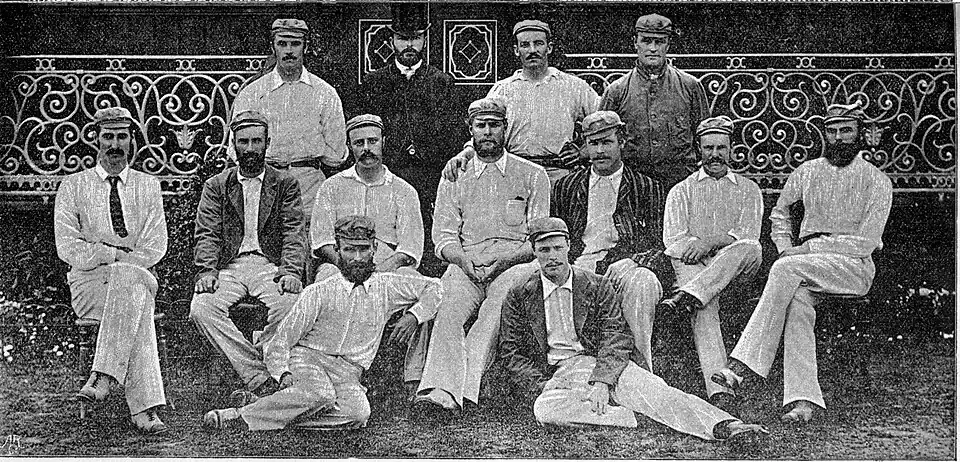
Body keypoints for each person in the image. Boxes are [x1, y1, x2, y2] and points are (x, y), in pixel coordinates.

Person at [498, 217, 768, 440]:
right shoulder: (520, 293)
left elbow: (615, 336)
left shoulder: (595, 284)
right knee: (546, 410)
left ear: (569, 246)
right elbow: (511, 352)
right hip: (557, 376)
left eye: (558, 248)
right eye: (544, 250)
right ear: (534, 251)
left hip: (600, 364)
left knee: (656, 390)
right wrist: (544, 384)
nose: (553, 257)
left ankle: (726, 425)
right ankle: (633, 417)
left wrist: (603, 380)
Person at [712, 102, 893, 423]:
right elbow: (779, 214)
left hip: (852, 268)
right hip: (807, 268)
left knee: (786, 269)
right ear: (825, 134)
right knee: (796, 302)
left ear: (859, 135)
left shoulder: (876, 180)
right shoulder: (808, 171)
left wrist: (804, 252)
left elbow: (865, 242)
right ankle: (803, 401)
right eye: (832, 131)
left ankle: (740, 367)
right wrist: (784, 247)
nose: (838, 138)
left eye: (846, 131)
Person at [202, 215, 441, 431]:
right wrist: (282, 372)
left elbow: (435, 288)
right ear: (337, 251)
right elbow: (281, 340)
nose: (357, 258)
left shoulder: (387, 286)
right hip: (308, 360)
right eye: (349, 250)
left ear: (374, 249)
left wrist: (414, 315)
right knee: (321, 395)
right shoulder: (319, 292)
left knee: (358, 415)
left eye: (363, 250)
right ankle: (236, 417)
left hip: (349, 371)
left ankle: (270, 409)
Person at [415, 97, 550, 412]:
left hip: (513, 264)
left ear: (505, 128)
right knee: (447, 309)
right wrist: (463, 261)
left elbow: (538, 238)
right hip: (467, 264)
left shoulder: (531, 174)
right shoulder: (454, 175)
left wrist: (506, 261)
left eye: (494, 125)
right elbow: (443, 236)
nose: (488, 132)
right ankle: (438, 392)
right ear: (471, 129)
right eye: (481, 125)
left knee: (492, 314)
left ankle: (461, 393)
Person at [54, 107, 169, 434]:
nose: (115, 144)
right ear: (95, 140)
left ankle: (103, 375)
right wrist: (114, 255)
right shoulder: (73, 186)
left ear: (132, 140)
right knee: (138, 303)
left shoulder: (148, 186)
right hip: (90, 284)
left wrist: (122, 265)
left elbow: (155, 246)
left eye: (122, 136)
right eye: (108, 137)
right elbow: (68, 248)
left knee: (129, 282)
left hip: (136, 276)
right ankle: (145, 410)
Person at [190, 110, 306, 405]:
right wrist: (207, 270)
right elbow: (207, 233)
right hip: (229, 266)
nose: (251, 149)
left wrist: (291, 270)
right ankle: (260, 377)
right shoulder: (217, 185)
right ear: (234, 145)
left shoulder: (285, 184)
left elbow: (295, 232)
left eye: (257, 141)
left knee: (291, 304)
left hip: (270, 265)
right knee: (201, 308)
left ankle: (258, 369)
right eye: (244, 142)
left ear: (267, 143)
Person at [312, 114, 429, 396]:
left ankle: (413, 381)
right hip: (342, 262)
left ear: (383, 143)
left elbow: (411, 248)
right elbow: (322, 240)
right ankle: (331, 373)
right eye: (359, 143)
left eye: (372, 141)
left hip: (388, 262)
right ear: (350, 147)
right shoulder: (332, 187)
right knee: (323, 285)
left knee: (420, 289)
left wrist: (382, 269)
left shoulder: (403, 190)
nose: (367, 148)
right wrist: (347, 264)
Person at [658, 115, 764, 406]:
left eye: (721, 148)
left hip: (737, 271)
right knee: (704, 305)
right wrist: (696, 247)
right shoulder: (682, 190)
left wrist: (710, 242)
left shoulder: (748, 189)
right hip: (695, 268)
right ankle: (720, 392)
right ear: (699, 150)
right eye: (708, 148)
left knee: (750, 247)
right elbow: (674, 240)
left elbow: (748, 234)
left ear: (731, 150)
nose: (715, 154)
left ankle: (690, 295)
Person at [550, 110, 668, 371]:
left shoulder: (647, 188)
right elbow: (555, 241)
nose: (600, 151)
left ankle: (640, 370)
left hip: (623, 268)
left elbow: (661, 245)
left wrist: (634, 261)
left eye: (607, 142)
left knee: (644, 281)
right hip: (579, 266)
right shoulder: (566, 187)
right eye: (594, 143)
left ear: (622, 142)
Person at [231, 18, 348, 264]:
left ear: (305, 47)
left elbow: (336, 153)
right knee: (270, 256)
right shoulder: (253, 93)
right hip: (267, 183)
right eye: (282, 43)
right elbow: (236, 150)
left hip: (309, 185)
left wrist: (306, 155)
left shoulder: (324, 93)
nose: (289, 50)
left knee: (312, 255)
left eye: (295, 44)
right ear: (273, 47)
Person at [442, 19, 599, 185]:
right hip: (515, 175)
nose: (532, 50)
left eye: (538, 44)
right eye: (525, 45)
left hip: (560, 176)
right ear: (517, 50)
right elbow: (483, 127)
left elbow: (603, 118)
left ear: (549, 48)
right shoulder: (503, 89)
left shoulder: (573, 86)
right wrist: (466, 153)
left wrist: (585, 151)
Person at [356, 2, 458, 256]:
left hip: (431, 179)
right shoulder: (374, 83)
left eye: (416, 38)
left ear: (425, 40)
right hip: (388, 175)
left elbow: (454, 136)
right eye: (403, 38)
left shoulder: (441, 82)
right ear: (392, 41)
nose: (409, 45)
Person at [598, 14, 709, 189]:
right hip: (633, 185)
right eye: (646, 41)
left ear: (668, 44)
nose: (652, 48)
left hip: (679, 182)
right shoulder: (617, 91)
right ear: (635, 42)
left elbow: (705, 137)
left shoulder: (690, 86)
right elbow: (602, 140)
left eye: (659, 42)